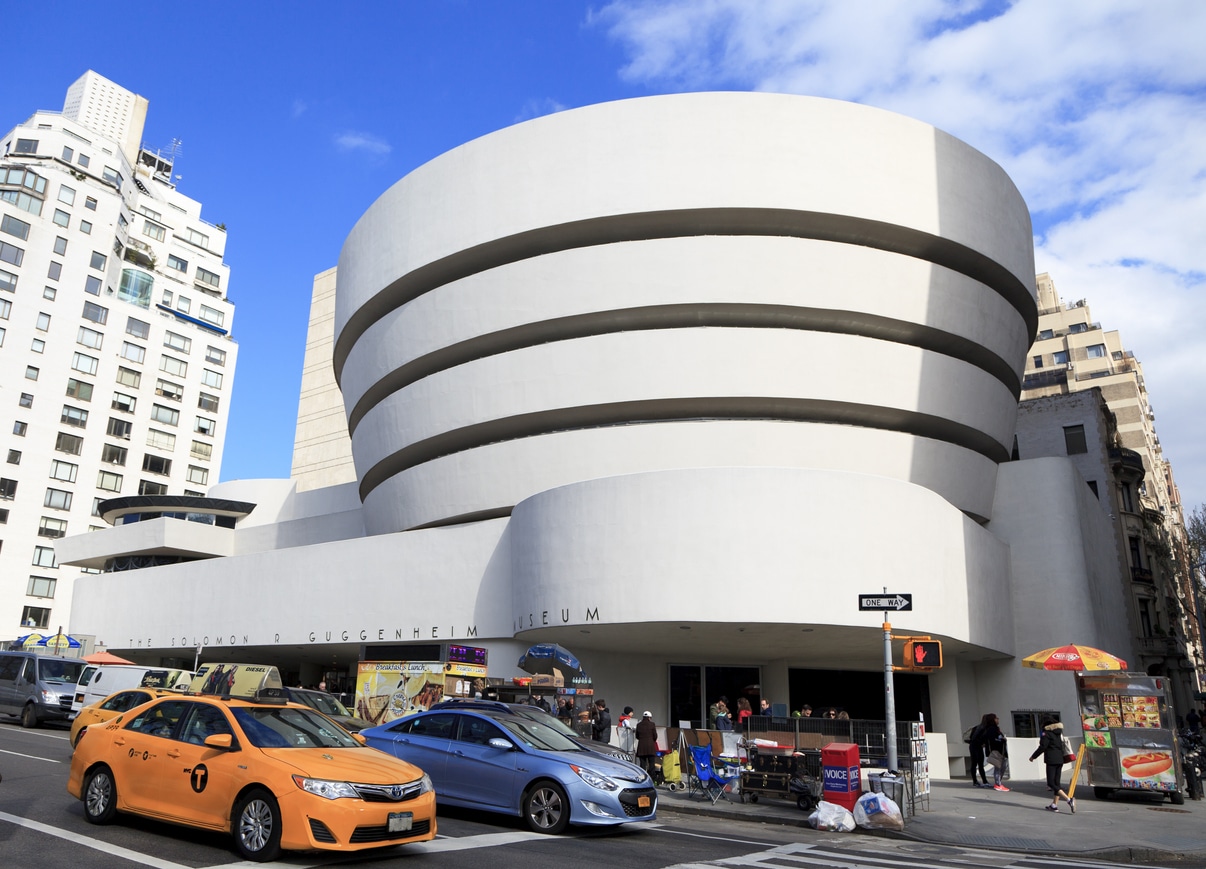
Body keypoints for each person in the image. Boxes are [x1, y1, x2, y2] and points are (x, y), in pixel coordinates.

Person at [1029, 715, 1075, 812]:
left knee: (1050, 783)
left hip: (1051, 759)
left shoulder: (1046, 733)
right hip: (1060, 759)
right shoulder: (1058, 733)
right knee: (1056, 783)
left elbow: (1043, 747)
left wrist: (1033, 756)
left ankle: (1068, 800)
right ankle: (1054, 805)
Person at [982, 713, 1010, 791]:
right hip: (997, 751)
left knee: (1002, 767)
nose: (998, 719)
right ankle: (998, 784)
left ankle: (998, 783)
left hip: (1001, 751)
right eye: (996, 718)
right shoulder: (991, 729)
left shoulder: (995, 729)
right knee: (999, 767)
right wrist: (1001, 740)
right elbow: (993, 740)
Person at [969, 712, 992, 788]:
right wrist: (982, 743)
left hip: (973, 746)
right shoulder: (984, 729)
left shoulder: (977, 727)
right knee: (979, 764)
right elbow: (979, 738)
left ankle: (976, 781)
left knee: (974, 764)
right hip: (977, 746)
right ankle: (983, 781)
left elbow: (971, 737)